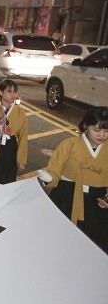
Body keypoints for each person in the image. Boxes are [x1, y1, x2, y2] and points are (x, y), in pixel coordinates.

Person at [38, 106, 108, 252]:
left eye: (106, 131)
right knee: (60, 241)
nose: (102, 135)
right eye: (96, 130)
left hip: (97, 203)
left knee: (92, 245)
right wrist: (50, 177)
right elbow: (55, 171)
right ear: (85, 126)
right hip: (67, 196)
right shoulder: (68, 145)